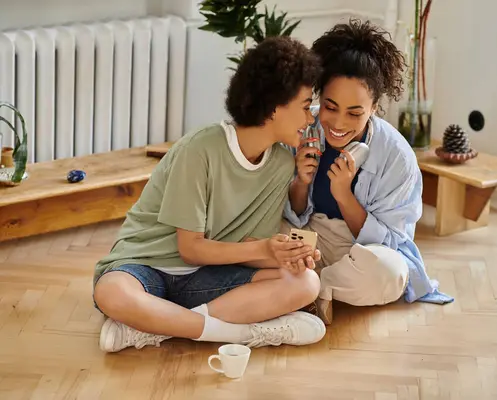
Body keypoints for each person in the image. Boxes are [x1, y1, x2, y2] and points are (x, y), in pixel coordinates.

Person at [93, 36, 327, 353]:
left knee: (306, 283)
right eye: (304, 107)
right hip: (146, 267)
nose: (310, 118)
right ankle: (237, 334)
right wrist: (266, 248)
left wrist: (287, 254)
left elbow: (248, 246)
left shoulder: (281, 164)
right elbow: (189, 249)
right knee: (111, 292)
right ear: (274, 106)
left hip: (206, 278)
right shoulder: (200, 148)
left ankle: (157, 328)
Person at [283, 20, 454, 324]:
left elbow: (390, 242)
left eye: (355, 113)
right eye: (330, 107)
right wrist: (301, 181)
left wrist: (344, 195)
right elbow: (287, 213)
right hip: (307, 237)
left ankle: (312, 287)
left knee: (390, 274)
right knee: (259, 236)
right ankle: (309, 286)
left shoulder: (397, 156)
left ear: (375, 106)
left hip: (361, 251)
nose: (337, 123)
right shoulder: (301, 127)